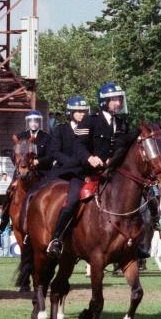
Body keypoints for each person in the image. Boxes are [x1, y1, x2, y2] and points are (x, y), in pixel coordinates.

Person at [46, 96, 98, 257]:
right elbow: (54, 151)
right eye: (78, 112)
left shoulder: (90, 129)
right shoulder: (61, 129)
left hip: (84, 173)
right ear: (71, 113)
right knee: (34, 191)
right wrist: (72, 162)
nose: (82, 114)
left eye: (84, 112)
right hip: (64, 172)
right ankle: (54, 238)